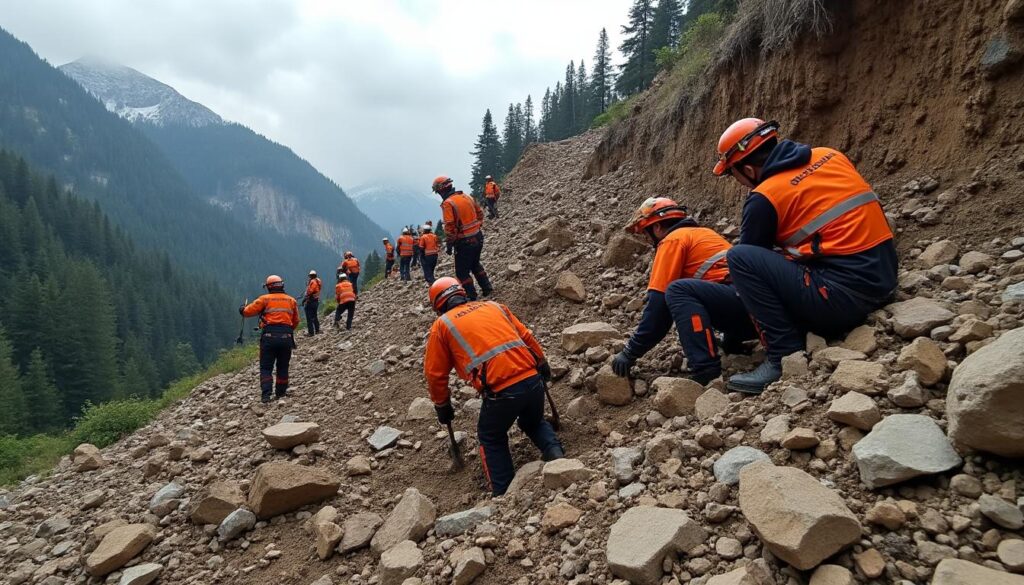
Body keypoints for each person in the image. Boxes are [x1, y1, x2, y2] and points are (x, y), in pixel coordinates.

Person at [712, 118, 898, 394]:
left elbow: (752, 261)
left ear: (748, 169)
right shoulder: (830, 155)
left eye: (734, 174)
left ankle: (781, 355)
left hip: (844, 299)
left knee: (740, 258)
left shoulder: (765, 196)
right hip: (886, 277)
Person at [423, 277, 563, 495]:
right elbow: (525, 336)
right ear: (461, 292)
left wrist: (442, 405)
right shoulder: (494, 306)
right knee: (533, 420)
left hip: (502, 391)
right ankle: (556, 454)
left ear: (438, 305)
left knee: (491, 436)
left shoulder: (442, 326)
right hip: (532, 379)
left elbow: (435, 374)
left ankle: (503, 492)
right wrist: (542, 363)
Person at [611, 197, 756, 384]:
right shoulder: (704, 233)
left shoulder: (672, 240)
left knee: (678, 292)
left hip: (744, 308)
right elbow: (722, 283)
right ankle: (733, 343)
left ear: (656, 228)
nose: (647, 241)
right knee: (698, 291)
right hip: (758, 312)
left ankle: (706, 371)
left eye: (646, 234)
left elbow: (658, 311)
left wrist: (630, 352)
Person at [241, 275, 300, 403]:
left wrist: (242, 309)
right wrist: (286, 331)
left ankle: (266, 395)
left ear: (268, 287)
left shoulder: (264, 299)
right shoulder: (291, 300)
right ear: (282, 285)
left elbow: (247, 312)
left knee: (266, 367)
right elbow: (296, 321)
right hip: (286, 337)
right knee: (283, 366)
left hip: (269, 338)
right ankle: (281, 393)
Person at [433, 175, 493, 299]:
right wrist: (476, 228)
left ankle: (472, 296)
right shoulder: (466, 196)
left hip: (464, 241)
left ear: (441, 190)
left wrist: (450, 244)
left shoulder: (448, 203)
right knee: (475, 264)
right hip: (478, 237)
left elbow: (450, 226)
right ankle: (487, 288)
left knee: (462, 272)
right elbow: (480, 213)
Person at [301, 270, 322, 336]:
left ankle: (311, 332)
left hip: (311, 301)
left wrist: (304, 299)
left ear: (310, 276)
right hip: (316, 301)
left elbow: (310, 291)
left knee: (309, 317)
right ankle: (317, 330)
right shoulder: (318, 281)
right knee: (314, 316)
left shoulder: (313, 282)